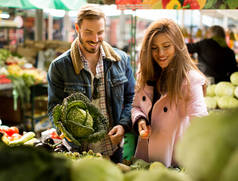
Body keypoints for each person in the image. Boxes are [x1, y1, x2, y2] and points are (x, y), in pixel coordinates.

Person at [47, 4, 135, 163]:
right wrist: (69, 134)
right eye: (88, 32)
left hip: (114, 151)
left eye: (100, 33)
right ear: (77, 28)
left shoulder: (121, 61)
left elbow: (132, 98)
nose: (95, 39)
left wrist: (123, 125)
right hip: (78, 153)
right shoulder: (59, 66)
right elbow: (54, 108)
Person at [131, 19, 208, 167]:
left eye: (166, 46)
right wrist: (141, 121)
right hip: (145, 159)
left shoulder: (190, 80)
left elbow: (201, 123)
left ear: (177, 46)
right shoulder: (146, 74)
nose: (160, 53)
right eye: (154, 48)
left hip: (174, 162)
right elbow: (135, 107)